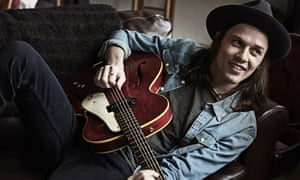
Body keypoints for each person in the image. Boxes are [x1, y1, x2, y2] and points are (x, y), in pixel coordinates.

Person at [0, 0, 291, 180]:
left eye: (256, 51)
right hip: (74, 125)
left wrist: (152, 177)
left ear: (262, 61)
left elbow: (185, 170)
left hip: (116, 162)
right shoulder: (185, 52)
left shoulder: (241, 126)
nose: (243, 56)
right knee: (19, 54)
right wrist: (114, 61)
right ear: (219, 39)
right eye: (237, 42)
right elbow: (125, 35)